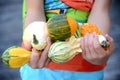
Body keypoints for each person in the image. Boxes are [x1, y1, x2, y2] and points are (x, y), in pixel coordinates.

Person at [20, 0, 115, 80]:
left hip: (87, 68)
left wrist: (98, 48)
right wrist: (36, 48)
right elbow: (34, 11)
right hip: (41, 66)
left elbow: (101, 11)